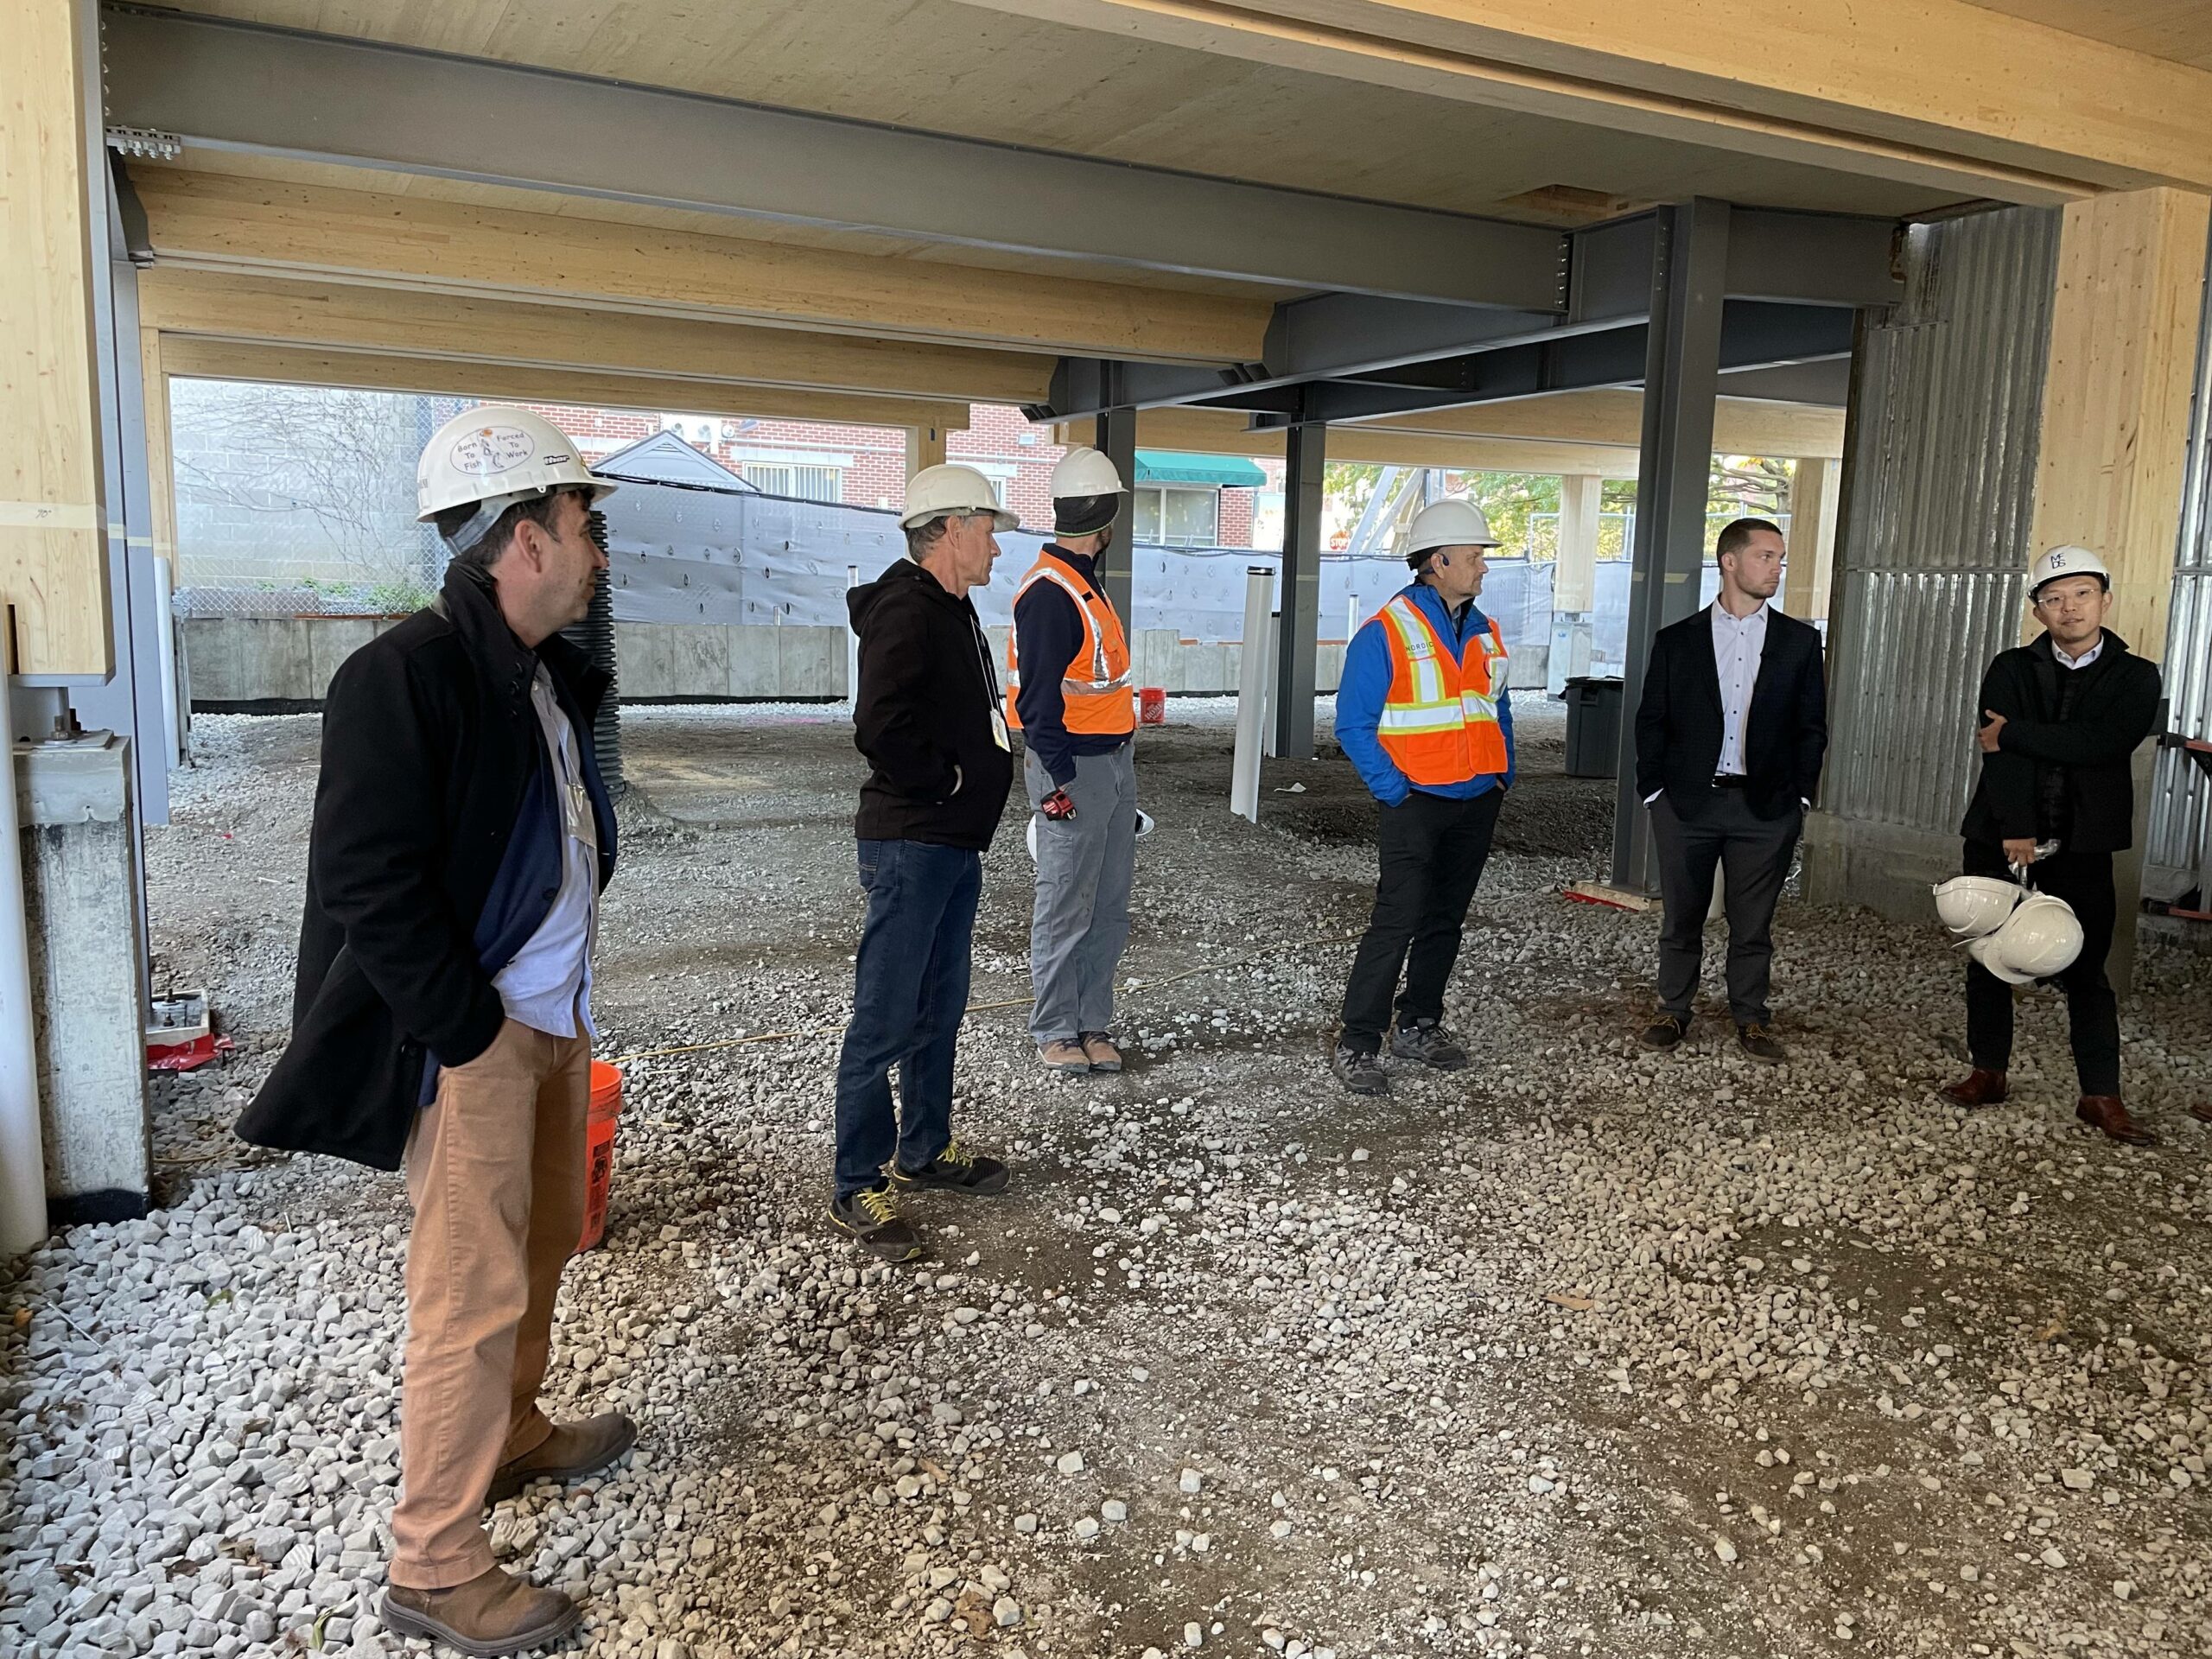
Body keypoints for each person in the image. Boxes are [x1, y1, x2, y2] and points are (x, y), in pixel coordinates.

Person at [236, 406, 626, 1654]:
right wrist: (466, 1032)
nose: (598, 552)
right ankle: (436, 1565)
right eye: (584, 525)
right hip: (483, 1039)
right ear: (525, 539)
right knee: (468, 1290)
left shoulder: (534, 673)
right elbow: (367, 881)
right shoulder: (402, 676)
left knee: (543, 1241)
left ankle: (510, 1434)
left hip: (549, 1020)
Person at [830, 463, 1018, 1262]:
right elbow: (879, 724)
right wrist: (944, 782)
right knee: (886, 1015)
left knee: (940, 1004)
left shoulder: (950, 606)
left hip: (949, 843)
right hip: (914, 841)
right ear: (951, 528)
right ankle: (856, 1181)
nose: (996, 548)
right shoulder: (908, 609)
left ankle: (925, 1149)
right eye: (989, 531)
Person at [1942, 544, 2163, 1146]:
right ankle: (1988, 1071)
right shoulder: (2011, 667)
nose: (2070, 608)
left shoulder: (2136, 676)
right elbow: (2000, 758)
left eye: (2083, 594)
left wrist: (2015, 732)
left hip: (2084, 843)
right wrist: (2016, 827)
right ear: (2037, 610)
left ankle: (2100, 1095)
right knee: (1988, 957)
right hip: (2000, 836)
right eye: (2054, 598)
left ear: (2105, 600)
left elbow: (2105, 745)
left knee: (2088, 970)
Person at [1330, 498, 1516, 1096]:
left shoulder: (1485, 631)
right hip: (1415, 801)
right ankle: (1359, 1042)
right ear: (1438, 562)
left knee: (1445, 920)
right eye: (1474, 556)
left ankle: (1419, 1023)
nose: (1483, 567)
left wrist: (1502, 773)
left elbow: (1497, 707)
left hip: (1476, 797)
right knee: (1397, 920)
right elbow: (1352, 725)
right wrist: (1395, 792)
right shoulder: (1385, 632)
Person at [1634, 518, 1827, 1062]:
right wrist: (1655, 793)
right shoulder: (1678, 641)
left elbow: (1812, 727)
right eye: (1766, 556)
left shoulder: (1799, 642)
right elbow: (1652, 721)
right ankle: (1673, 1010)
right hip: (1686, 805)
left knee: (1753, 923)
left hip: (1766, 808)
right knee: (1682, 917)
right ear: (1730, 561)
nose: (1777, 568)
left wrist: (1800, 797)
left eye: (1780, 559)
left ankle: (1752, 1018)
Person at [1007, 446, 1140, 1076]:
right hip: (1073, 770)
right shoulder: (1050, 593)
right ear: (1106, 518)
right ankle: (1057, 1029)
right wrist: (1059, 783)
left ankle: (1092, 1022)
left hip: (1112, 763)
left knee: (1107, 904)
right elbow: (1037, 703)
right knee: (1065, 903)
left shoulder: (1083, 585)